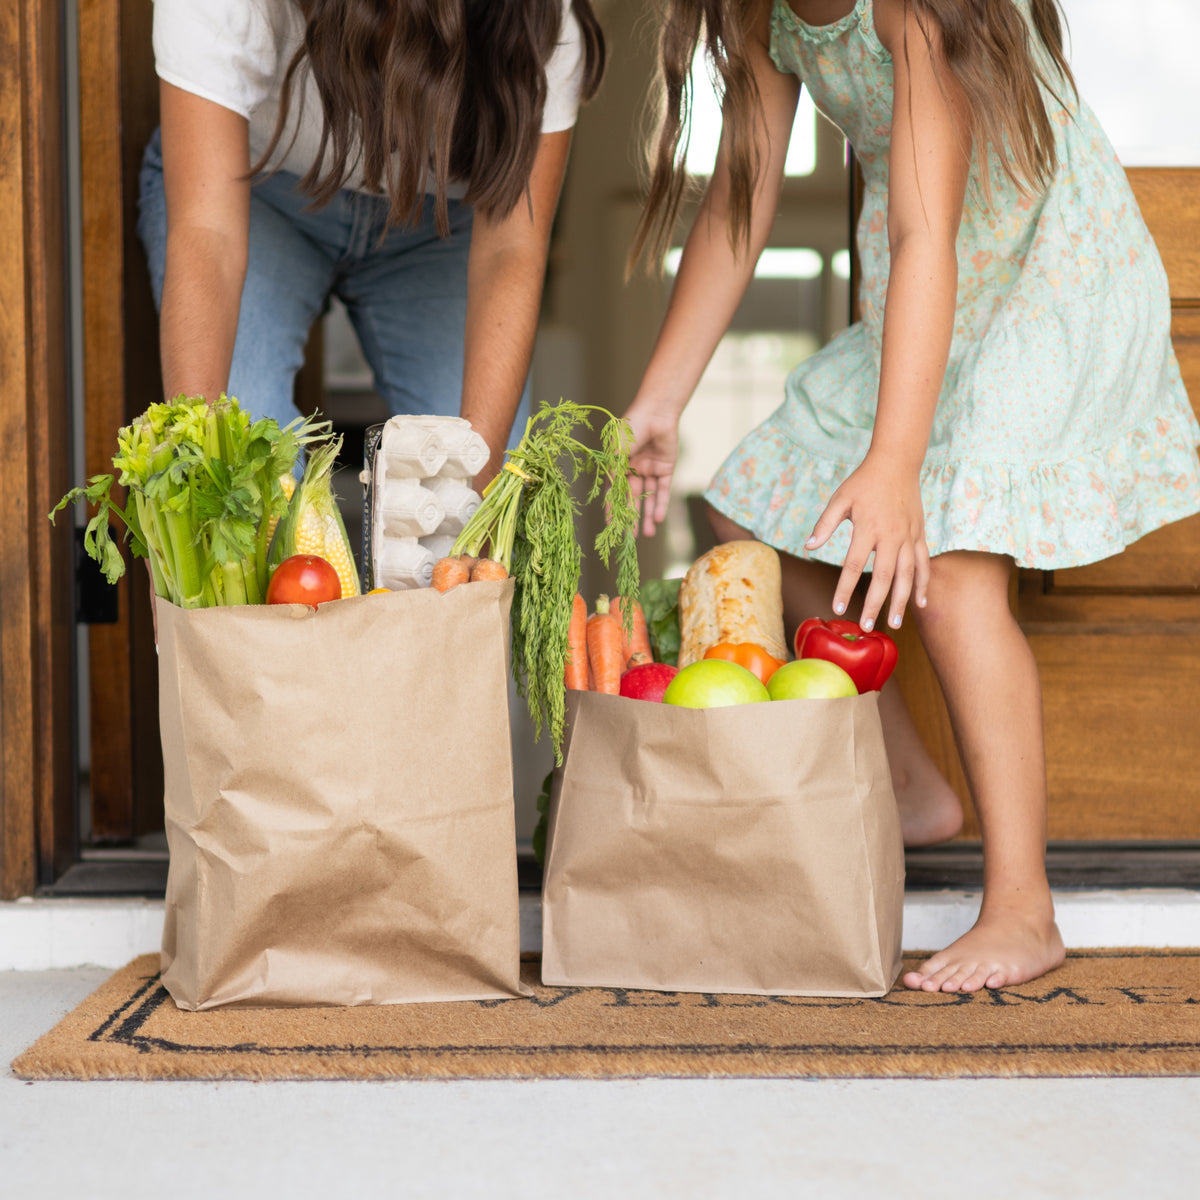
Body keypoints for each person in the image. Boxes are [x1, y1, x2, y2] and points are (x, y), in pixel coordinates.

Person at [622, 0, 1200, 991]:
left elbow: (926, 230)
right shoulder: (763, 14)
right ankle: (911, 785)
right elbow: (740, 195)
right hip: (933, 289)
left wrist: (897, 466)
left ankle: (1024, 906)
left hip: (1042, 277)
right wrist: (660, 399)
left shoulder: (914, 7)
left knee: (956, 571)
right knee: (752, 507)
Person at [138, 0, 605, 488]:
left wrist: (476, 507)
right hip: (255, 196)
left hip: (444, 227)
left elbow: (511, 250)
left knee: (469, 486)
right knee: (243, 478)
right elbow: (208, 233)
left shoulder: (537, 17)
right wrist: (199, 474)